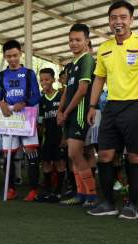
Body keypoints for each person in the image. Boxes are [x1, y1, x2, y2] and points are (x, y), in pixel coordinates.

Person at [87, 1, 138, 219]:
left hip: (135, 104)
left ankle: (133, 205)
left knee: (135, 156)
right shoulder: (105, 47)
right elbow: (99, 78)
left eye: (123, 17)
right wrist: (92, 105)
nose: (118, 21)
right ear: (109, 21)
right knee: (105, 155)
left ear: (131, 20)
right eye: (113, 18)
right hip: (111, 107)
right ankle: (108, 203)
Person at [0, 40, 41, 201]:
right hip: (8, 119)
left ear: (20, 53)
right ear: (4, 56)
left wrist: (25, 103)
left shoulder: (29, 74)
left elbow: (36, 95)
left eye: (15, 55)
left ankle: (34, 190)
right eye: (9, 56)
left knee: (31, 153)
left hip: (27, 117)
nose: (12, 59)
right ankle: (11, 189)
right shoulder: (1, 76)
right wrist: (0, 103)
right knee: (9, 155)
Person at [57, 24, 98, 208]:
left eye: (78, 40)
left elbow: (82, 90)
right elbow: (67, 90)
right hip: (69, 115)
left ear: (86, 41)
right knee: (73, 155)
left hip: (79, 113)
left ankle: (92, 194)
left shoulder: (87, 59)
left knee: (75, 153)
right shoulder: (72, 64)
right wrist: (60, 110)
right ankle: (80, 193)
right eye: (71, 40)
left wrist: (66, 112)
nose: (73, 43)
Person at [37, 68, 66, 202]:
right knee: (46, 162)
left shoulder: (61, 96)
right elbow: (41, 120)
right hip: (47, 137)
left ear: (53, 80)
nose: (44, 82)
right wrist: (40, 135)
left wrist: (65, 137)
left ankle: (59, 190)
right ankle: (48, 189)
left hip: (59, 135)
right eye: (41, 80)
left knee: (59, 161)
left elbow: (66, 118)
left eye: (47, 79)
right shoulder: (41, 100)